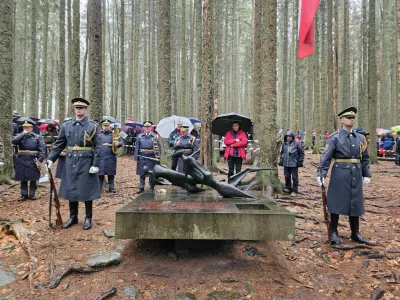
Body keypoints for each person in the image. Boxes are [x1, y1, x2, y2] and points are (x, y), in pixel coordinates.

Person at [317, 107, 371, 245]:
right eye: (348, 118)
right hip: (340, 173)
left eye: (353, 118)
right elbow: (326, 157)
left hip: (356, 173)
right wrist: (321, 173)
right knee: (336, 202)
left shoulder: (360, 138)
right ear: (341, 120)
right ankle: (334, 232)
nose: (351, 120)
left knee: (355, 202)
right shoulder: (335, 138)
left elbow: (364, 157)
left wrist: (366, 174)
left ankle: (355, 232)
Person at [47, 98, 102, 230]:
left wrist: (95, 164)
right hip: (70, 161)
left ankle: (88, 217)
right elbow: (60, 144)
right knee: (71, 189)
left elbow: (98, 147)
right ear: (74, 109)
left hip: (86, 161)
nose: (78, 110)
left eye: (81, 108)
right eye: (76, 108)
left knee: (87, 190)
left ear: (86, 109)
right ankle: (73, 217)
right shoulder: (67, 125)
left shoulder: (92, 126)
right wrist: (51, 158)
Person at [12, 119, 45, 201]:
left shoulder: (37, 137)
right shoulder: (20, 136)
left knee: (33, 178)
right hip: (21, 159)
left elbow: (42, 150)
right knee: (23, 178)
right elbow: (14, 141)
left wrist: (39, 160)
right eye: (25, 127)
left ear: (32, 128)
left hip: (33, 159)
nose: (26, 129)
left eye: (28, 127)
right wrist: (22, 134)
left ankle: (32, 194)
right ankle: (24, 194)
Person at [134, 121, 162, 193]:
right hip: (142, 156)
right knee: (142, 173)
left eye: (148, 127)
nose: (147, 128)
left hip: (151, 156)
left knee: (151, 173)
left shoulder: (155, 136)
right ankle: (141, 187)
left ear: (151, 128)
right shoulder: (140, 136)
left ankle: (151, 187)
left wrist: (158, 157)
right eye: (146, 127)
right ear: (144, 128)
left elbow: (159, 147)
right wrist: (136, 158)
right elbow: (137, 147)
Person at [98, 119, 123, 193]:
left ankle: (111, 188)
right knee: (100, 173)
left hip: (110, 155)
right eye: (104, 126)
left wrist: (118, 143)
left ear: (109, 126)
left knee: (111, 172)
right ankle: (99, 188)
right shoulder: (98, 134)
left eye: (107, 126)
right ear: (102, 126)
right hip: (101, 156)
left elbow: (122, 141)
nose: (106, 127)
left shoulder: (114, 133)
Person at [279, 131, 304, 196]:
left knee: (294, 177)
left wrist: (300, 161)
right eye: (287, 137)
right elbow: (282, 153)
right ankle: (288, 188)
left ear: (292, 137)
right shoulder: (284, 144)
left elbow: (301, 153)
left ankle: (295, 190)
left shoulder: (297, 143)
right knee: (287, 176)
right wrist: (281, 160)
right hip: (286, 163)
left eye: (290, 137)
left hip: (294, 163)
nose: (288, 138)